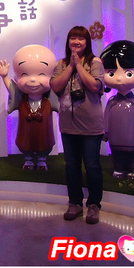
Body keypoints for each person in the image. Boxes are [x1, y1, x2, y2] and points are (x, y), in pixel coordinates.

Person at [50, 26, 105, 225]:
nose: (76, 41)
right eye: (73, 38)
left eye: (81, 38)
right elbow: (55, 86)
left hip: (91, 125)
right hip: (68, 125)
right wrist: (70, 66)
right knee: (71, 166)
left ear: (87, 42)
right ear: (68, 42)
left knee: (92, 165)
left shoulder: (95, 62)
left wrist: (79, 65)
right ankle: (74, 203)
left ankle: (94, 205)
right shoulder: (61, 64)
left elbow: (94, 86)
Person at [0, 44, 59, 170]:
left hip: (44, 131)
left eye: (41, 74)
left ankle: (42, 160)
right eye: (25, 74)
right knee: (25, 143)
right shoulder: (21, 99)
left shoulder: (50, 99)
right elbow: (12, 90)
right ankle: (28, 160)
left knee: (44, 142)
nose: (33, 80)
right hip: (25, 131)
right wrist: (4, 77)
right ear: (16, 78)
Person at [100, 40, 134, 178]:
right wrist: (104, 133)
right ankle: (118, 168)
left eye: (128, 73)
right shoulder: (111, 102)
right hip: (116, 139)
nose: (119, 78)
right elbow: (106, 119)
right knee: (117, 155)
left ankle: (133, 169)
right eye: (111, 73)